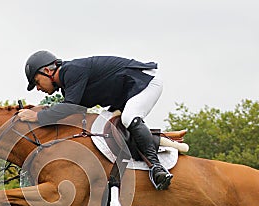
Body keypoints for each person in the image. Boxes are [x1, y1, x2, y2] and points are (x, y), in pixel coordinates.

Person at [19, 50, 173, 190]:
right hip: (126, 94)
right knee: (102, 125)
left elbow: (69, 108)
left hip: (145, 81)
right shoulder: (68, 85)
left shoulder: (71, 70)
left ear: (47, 71)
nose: (38, 88)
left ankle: (157, 167)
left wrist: (37, 116)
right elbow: (72, 115)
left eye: (37, 82)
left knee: (129, 118)